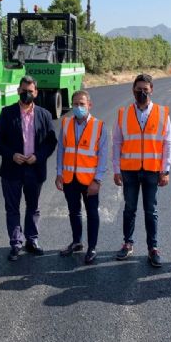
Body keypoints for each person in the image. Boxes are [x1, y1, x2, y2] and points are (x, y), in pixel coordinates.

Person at [0, 75, 57, 261]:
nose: (26, 94)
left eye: (30, 91)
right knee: (12, 208)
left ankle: (32, 239)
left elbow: (51, 142)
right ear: (18, 91)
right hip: (12, 169)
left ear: (36, 92)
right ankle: (15, 244)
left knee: (33, 207)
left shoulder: (44, 115)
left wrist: (38, 156)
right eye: (23, 90)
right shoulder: (7, 113)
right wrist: (11, 155)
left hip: (34, 169)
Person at [113, 73, 171, 267]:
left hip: (152, 171)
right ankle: (127, 244)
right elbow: (117, 143)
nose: (142, 93)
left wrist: (166, 170)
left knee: (151, 210)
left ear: (152, 90)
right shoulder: (123, 113)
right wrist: (116, 169)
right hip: (129, 170)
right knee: (129, 209)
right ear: (133, 91)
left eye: (145, 90)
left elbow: (168, 143)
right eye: (138, 90)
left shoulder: (162, 113)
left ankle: (152, 248)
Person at [56, 90, 108, 264]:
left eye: (82, 104)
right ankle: (77, 242)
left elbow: (103, 155)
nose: (78, 107)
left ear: (89, 105)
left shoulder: (99, 126)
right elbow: (61, 150)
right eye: (75, 104)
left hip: (89, 181)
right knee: (74, 212)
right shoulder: (65, 123)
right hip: (70, 178)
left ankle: (92, 247)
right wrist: (59, 173)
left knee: (92, 214)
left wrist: (98, 180)